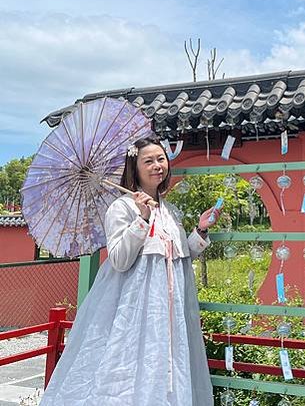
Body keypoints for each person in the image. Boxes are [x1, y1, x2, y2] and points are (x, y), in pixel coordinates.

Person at [40, 136, 218, 406]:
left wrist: (200, 230)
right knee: (130, 372)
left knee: (168, 367)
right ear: (134, 168)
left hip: (169, 313)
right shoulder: (121, 208)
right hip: (136, 311)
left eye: (161, 159)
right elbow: (120, 260)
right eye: (149, 161)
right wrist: (142, 218)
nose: (158, 165)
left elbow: (179, 255)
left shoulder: (171, 211)